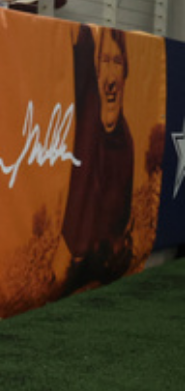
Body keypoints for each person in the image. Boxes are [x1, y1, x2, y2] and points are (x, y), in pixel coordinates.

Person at [57, 24, 135, 292]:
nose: (111, 79)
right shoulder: (86, 121)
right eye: (104, 61)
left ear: (126, 72)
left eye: (117, 62)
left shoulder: (125, 144)